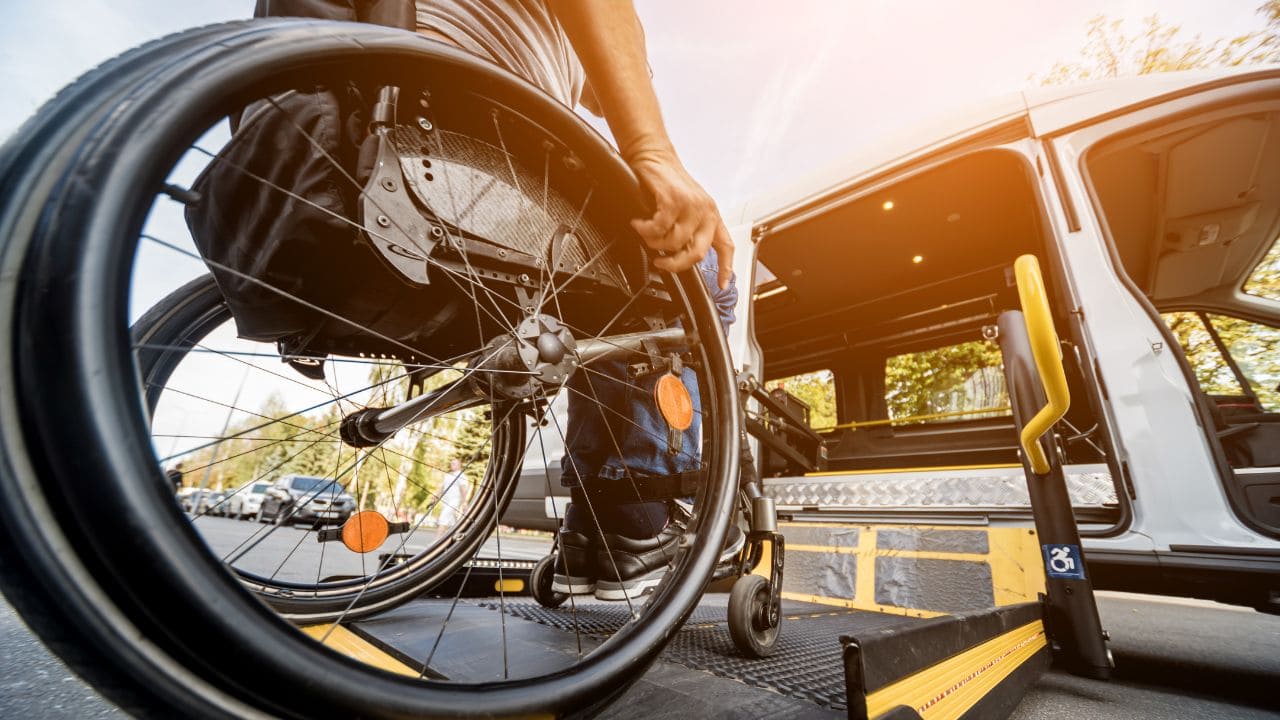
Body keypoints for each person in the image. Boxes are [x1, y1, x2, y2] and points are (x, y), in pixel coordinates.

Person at [237, 0, 737, 600]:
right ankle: (637, 520)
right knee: (702, 270)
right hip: (477, 141)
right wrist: (654, 152)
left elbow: (599, 93)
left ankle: (591, 533)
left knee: (606, 296)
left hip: (366, 129)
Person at [435, 457, 470, 538]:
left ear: (459, 465)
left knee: (443, 519)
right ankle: (458, 539)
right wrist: (435, 497)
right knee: (452, 522)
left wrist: (464, 502)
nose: (452, 465)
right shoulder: (448, 475)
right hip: (446, 501)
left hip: (455, 501)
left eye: (454, 463)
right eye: (451, 463)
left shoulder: (462, 476)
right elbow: (442, 487)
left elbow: (463, 489)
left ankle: (436, 542)